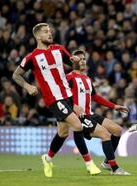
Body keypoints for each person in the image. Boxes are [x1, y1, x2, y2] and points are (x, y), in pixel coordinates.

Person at [12, 23, 98, 177]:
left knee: (63, 132)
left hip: (68, 96)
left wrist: (75, 59)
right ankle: (89, 164)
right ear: (38, 36)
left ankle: (47, 158)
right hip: (53, 99)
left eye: (50, 31)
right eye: (45, 32)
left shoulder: (59, 49)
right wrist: (27, 86)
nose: (50, 33)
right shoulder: (32, 57)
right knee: (78, 126)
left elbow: (72, 62)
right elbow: (16, 75)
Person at [66, 49, 130, 175]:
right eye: (80, 59)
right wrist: (73, 106)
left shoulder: (87, 79)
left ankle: (107, 162)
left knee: (117, 130)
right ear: (73, 61)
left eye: (84, 59)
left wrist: (114, 106)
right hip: (80, 117)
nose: (83, 61)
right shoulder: (69, 78)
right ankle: (115, 168)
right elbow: (62, 97)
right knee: (105, 134)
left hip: (90, 114)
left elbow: (95, 97)